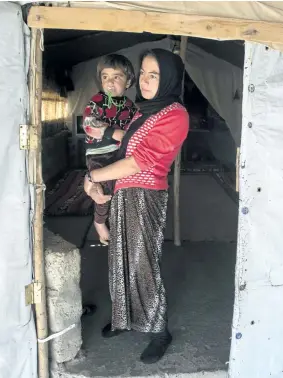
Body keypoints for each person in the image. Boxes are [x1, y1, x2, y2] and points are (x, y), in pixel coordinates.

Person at [83, 48, 189, 364]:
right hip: (123, 191)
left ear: (168, 78)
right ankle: (123, 318)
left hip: (146, 195)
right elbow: (128, 139)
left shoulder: (175, 114)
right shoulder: (145, 112)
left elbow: (139, 160)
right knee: (119, 259)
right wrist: (105, 133)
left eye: (153, 74)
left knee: (143, 263)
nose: (144, 79)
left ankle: (159, 330)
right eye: (142, 72)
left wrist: (94, 175)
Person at [83, 54, 137, 245]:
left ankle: (120, 222)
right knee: (103, 188)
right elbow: (88, 125)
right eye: (105, 77)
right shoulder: (97, 102)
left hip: (118, 153)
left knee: (124, 184)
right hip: (99, 153)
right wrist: (113, 133)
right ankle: (99, 222)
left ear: (128, 81)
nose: (110, 82)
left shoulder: (131, 107)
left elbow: (135, 129)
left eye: (117, 77)